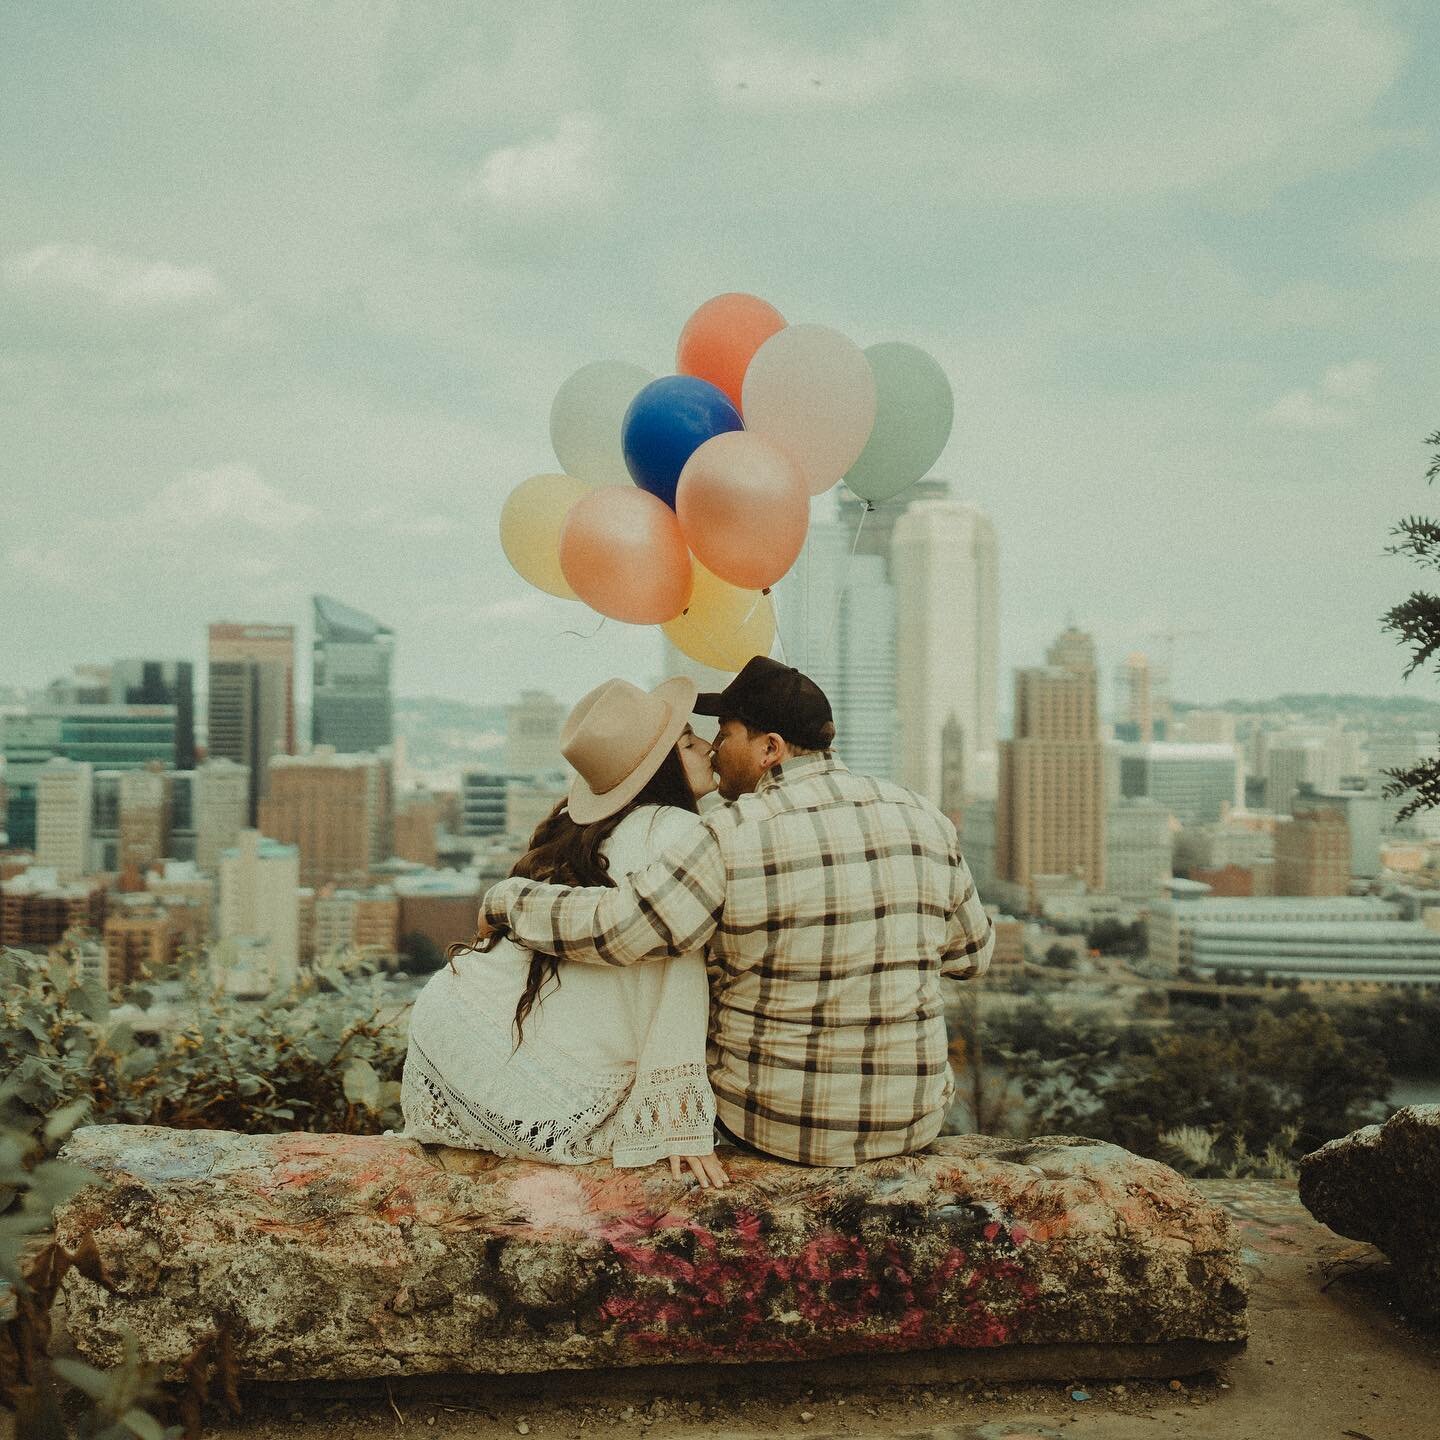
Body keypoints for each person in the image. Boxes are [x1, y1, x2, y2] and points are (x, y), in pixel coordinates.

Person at [477, 655, 994, 1168]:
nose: (715, 750)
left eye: (725, 734)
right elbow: (972, 956)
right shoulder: (923, 816)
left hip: (774, 1124)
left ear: (769, 748)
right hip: (913, 1120)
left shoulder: (730, 834)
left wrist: (509, 900)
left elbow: (619, 930)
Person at [399, 676, 730, 1188]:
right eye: (689, 742)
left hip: (459, 1029)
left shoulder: (600, 832)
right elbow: (674, 973)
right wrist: (678, 1120)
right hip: (539, 1076)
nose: (708, 746)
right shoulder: (680, 832)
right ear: (663, 769)